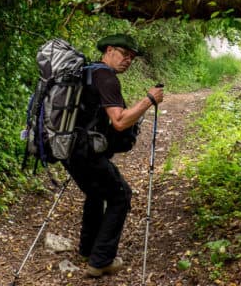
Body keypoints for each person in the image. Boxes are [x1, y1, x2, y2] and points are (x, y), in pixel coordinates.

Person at [62, 33, 164, 277]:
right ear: (108, 50)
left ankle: (88, 249)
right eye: (124, 54)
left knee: (96, 193)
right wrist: (149, 100)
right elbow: (119, 121)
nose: (128, 60)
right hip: (86, 152)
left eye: (132, 57)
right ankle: (101, 261)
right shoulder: (106, 77)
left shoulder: (86, 71)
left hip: (69, 148)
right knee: (121, 195)